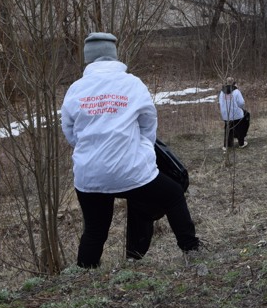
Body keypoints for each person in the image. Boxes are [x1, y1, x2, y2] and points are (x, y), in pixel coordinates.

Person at [61, 32, 201, 268]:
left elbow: (69, 131)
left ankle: (83, 278)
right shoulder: (132, 84)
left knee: (95, 231)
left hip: (89, 175)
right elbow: (149, 123)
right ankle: (191, 249)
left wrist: (91, 151)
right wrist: (142, 148)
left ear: (89, 58)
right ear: (114, 55)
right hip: (131, 170)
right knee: (173, 194)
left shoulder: (76, 89)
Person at [219, 77, 248, 150]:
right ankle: (241, 143)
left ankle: (227, 145)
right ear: (234, 83)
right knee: (240, 127)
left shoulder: (222, 92)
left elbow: (220, 102)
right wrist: (240, 108)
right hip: (236, 114)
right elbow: (241, 102)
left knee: (228, 129)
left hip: (225, 114)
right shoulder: (236, 91)